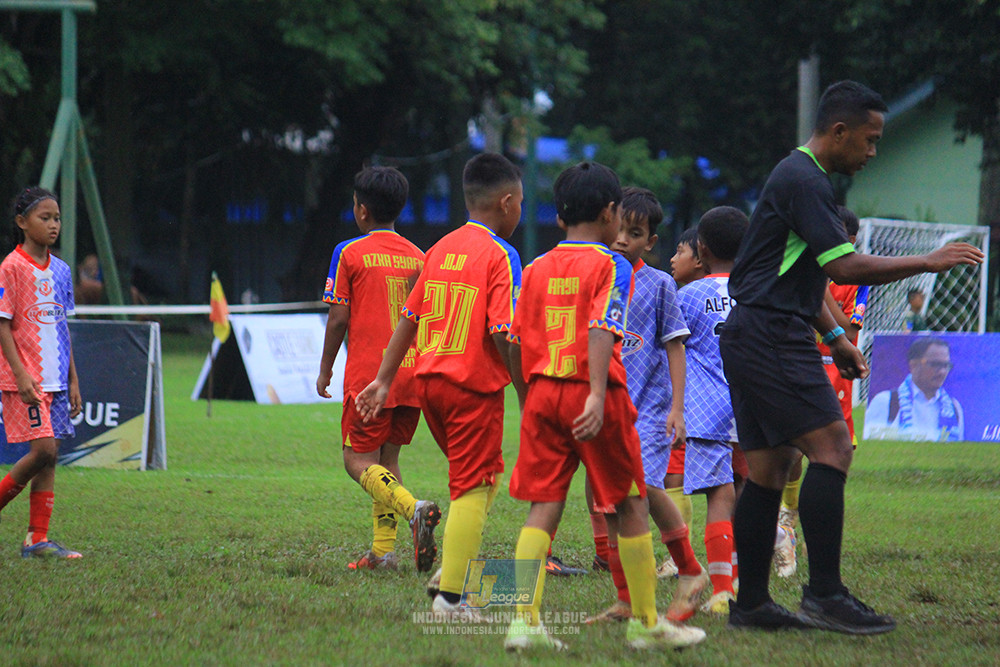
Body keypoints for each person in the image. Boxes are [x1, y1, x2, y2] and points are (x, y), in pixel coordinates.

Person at [719, 80, 983, 634]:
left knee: (768, 469)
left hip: (755, 329)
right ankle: (824, 595)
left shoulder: (796, 176)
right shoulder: (806, 180)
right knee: (834, 448)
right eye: (870, 139)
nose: (873, 151)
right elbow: (842, 267)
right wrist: (927, 261)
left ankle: (752, 605)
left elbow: (800, 272)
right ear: (839, 132)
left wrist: (837, 336)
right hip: (771, 335)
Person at [503, 162, 705, 652]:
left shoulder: (535, 267)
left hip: (544, 392)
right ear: (610, 213)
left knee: (543, 506)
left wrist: (527, 395)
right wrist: (595, 392)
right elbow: (601, 325)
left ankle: (523, 622)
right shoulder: (612, 266)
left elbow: (513, 339)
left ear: (559, 217)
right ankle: (646, 623)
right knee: (632, 501)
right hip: (595, 392)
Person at [356, 153, 524, 621]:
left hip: (429, 384)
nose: (520, 211)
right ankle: (451, 598)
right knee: (473, 486)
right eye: (521, 202)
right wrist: (523, 389)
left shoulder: (440, 248)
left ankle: (451, 571)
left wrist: (384, 379)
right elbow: (503, 332)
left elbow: (409, 319)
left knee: (482, 477)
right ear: (506, 202)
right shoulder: (501, 255)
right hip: (472, 387)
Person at [586, 187, 708, 625]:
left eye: (634, 233)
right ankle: (625, 599)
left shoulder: (659, 285)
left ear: (650, 241)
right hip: (606, 410)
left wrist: (678, 408)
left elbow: (675, 346)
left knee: (643, 488)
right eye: (618, 229)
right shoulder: (594, 275)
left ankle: (690, 568)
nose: (622, 240)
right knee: (613, 501)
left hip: (650, 412)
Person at [315, 166, 439, 572]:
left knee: (357, 460)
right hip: (410, 375)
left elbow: (338, 318)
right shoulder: (420, 257)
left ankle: (413, 508)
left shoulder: (349, 252)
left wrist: (325, 369)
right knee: (388, 460)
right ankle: (383, 553)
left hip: (371, 378)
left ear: (361, 210)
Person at [773, 205, 869, 579]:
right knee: (791, 450)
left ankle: (810, 533)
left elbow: (848, 329)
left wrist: (818, 290)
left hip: (835, 377)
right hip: (799, 369)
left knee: (829, 458)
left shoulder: (853, 279)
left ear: (850, 241)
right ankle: (788, 520)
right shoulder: (797, 267)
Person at [0, 187, 83, 558]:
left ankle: (37, 538)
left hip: (57, 380)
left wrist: (73, 379)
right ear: (22, 222)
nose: (54, 225)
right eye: (44, 217)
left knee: (51, 456)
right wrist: (20, 375)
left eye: (57, 218)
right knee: (43, 450)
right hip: (26, 380)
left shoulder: (62, 271)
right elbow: (2, 325)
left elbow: (63, 328)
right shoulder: (11, 267)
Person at [676, 206, 751, 614]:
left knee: (720, 495)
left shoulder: (688, 295)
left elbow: (670, 347)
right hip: (751, 407)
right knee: (745, 489)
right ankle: (742, 580)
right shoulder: (757, 290)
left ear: (701, 249)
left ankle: (722, 590)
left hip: (707, 412)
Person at [658, 226, 710, 578]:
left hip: (690, 402)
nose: (673, 259)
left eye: (680, 251)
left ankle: (681, 558)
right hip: (715, 402)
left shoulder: (683, 298)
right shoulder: (732, 293)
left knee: (674, 477)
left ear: (701, 257)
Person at [865, 336, 963, 442]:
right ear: (914, 366)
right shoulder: (885, 402)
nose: (942, 372)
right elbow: (872, 442)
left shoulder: (954, 407)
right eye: (935, 364)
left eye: (946, 365)